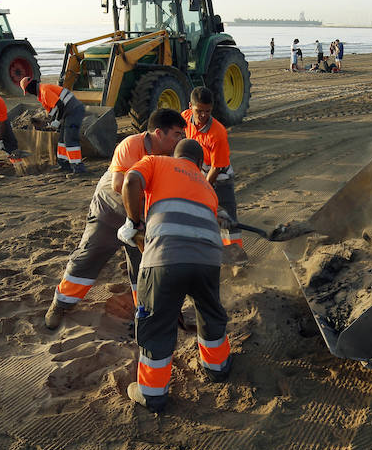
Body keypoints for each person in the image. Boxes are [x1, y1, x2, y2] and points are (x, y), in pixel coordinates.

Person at [44, 109, 186, 329]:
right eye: (177, 134)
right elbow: (120, 185)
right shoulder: (131, 145)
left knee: (145, 266)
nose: (181, 139)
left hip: (141, 217)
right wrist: (134, 220)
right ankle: (61, 304)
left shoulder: (171, 156)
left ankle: (146, 312)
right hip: (109, 211)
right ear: (159, 133)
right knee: (89, 254)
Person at [120, 138, 233, 412]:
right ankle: (217, 368)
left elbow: (129, 183)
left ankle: (152, 394)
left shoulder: (156, 161)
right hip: (207, 261)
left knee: (157, 323)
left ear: (175, 155)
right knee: (209, 312)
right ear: (199, 164)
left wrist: (133, 223)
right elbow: (217, 219)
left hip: (165, 257)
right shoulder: (207, 186)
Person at [181, 87, 245, 260]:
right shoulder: (185, 118)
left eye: (207, 111)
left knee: (228, 218)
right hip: (199, 173)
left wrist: (204, 189)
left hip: (220, 178)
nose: (203, 115)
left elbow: (217, 168)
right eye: (199, 111)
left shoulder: (217, 133)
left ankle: (237, 258)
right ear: (190, 107)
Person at [19, 77, 87, 173]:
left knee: (70, 139)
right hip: (68, 112)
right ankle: (64, 165)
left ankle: (78, 168)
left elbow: (60, 106)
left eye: (28, 91)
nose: (29, 93)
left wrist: (57, 121)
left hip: (74, 111)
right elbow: (53, 111)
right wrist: (50, 122)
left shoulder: (44, 91)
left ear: (31, 87)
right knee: (62, 140)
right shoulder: (41, 95)